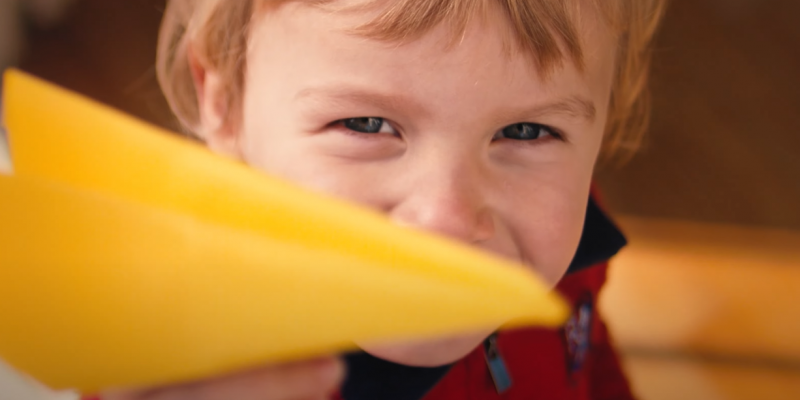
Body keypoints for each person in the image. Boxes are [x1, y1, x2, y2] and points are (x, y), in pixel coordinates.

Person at [97, 0, 665, 399]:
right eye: (366, 124)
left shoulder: (571, 242)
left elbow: (586, 363)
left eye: (524, 133)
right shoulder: (186, 354)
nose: (448, 221)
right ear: (223, 98)